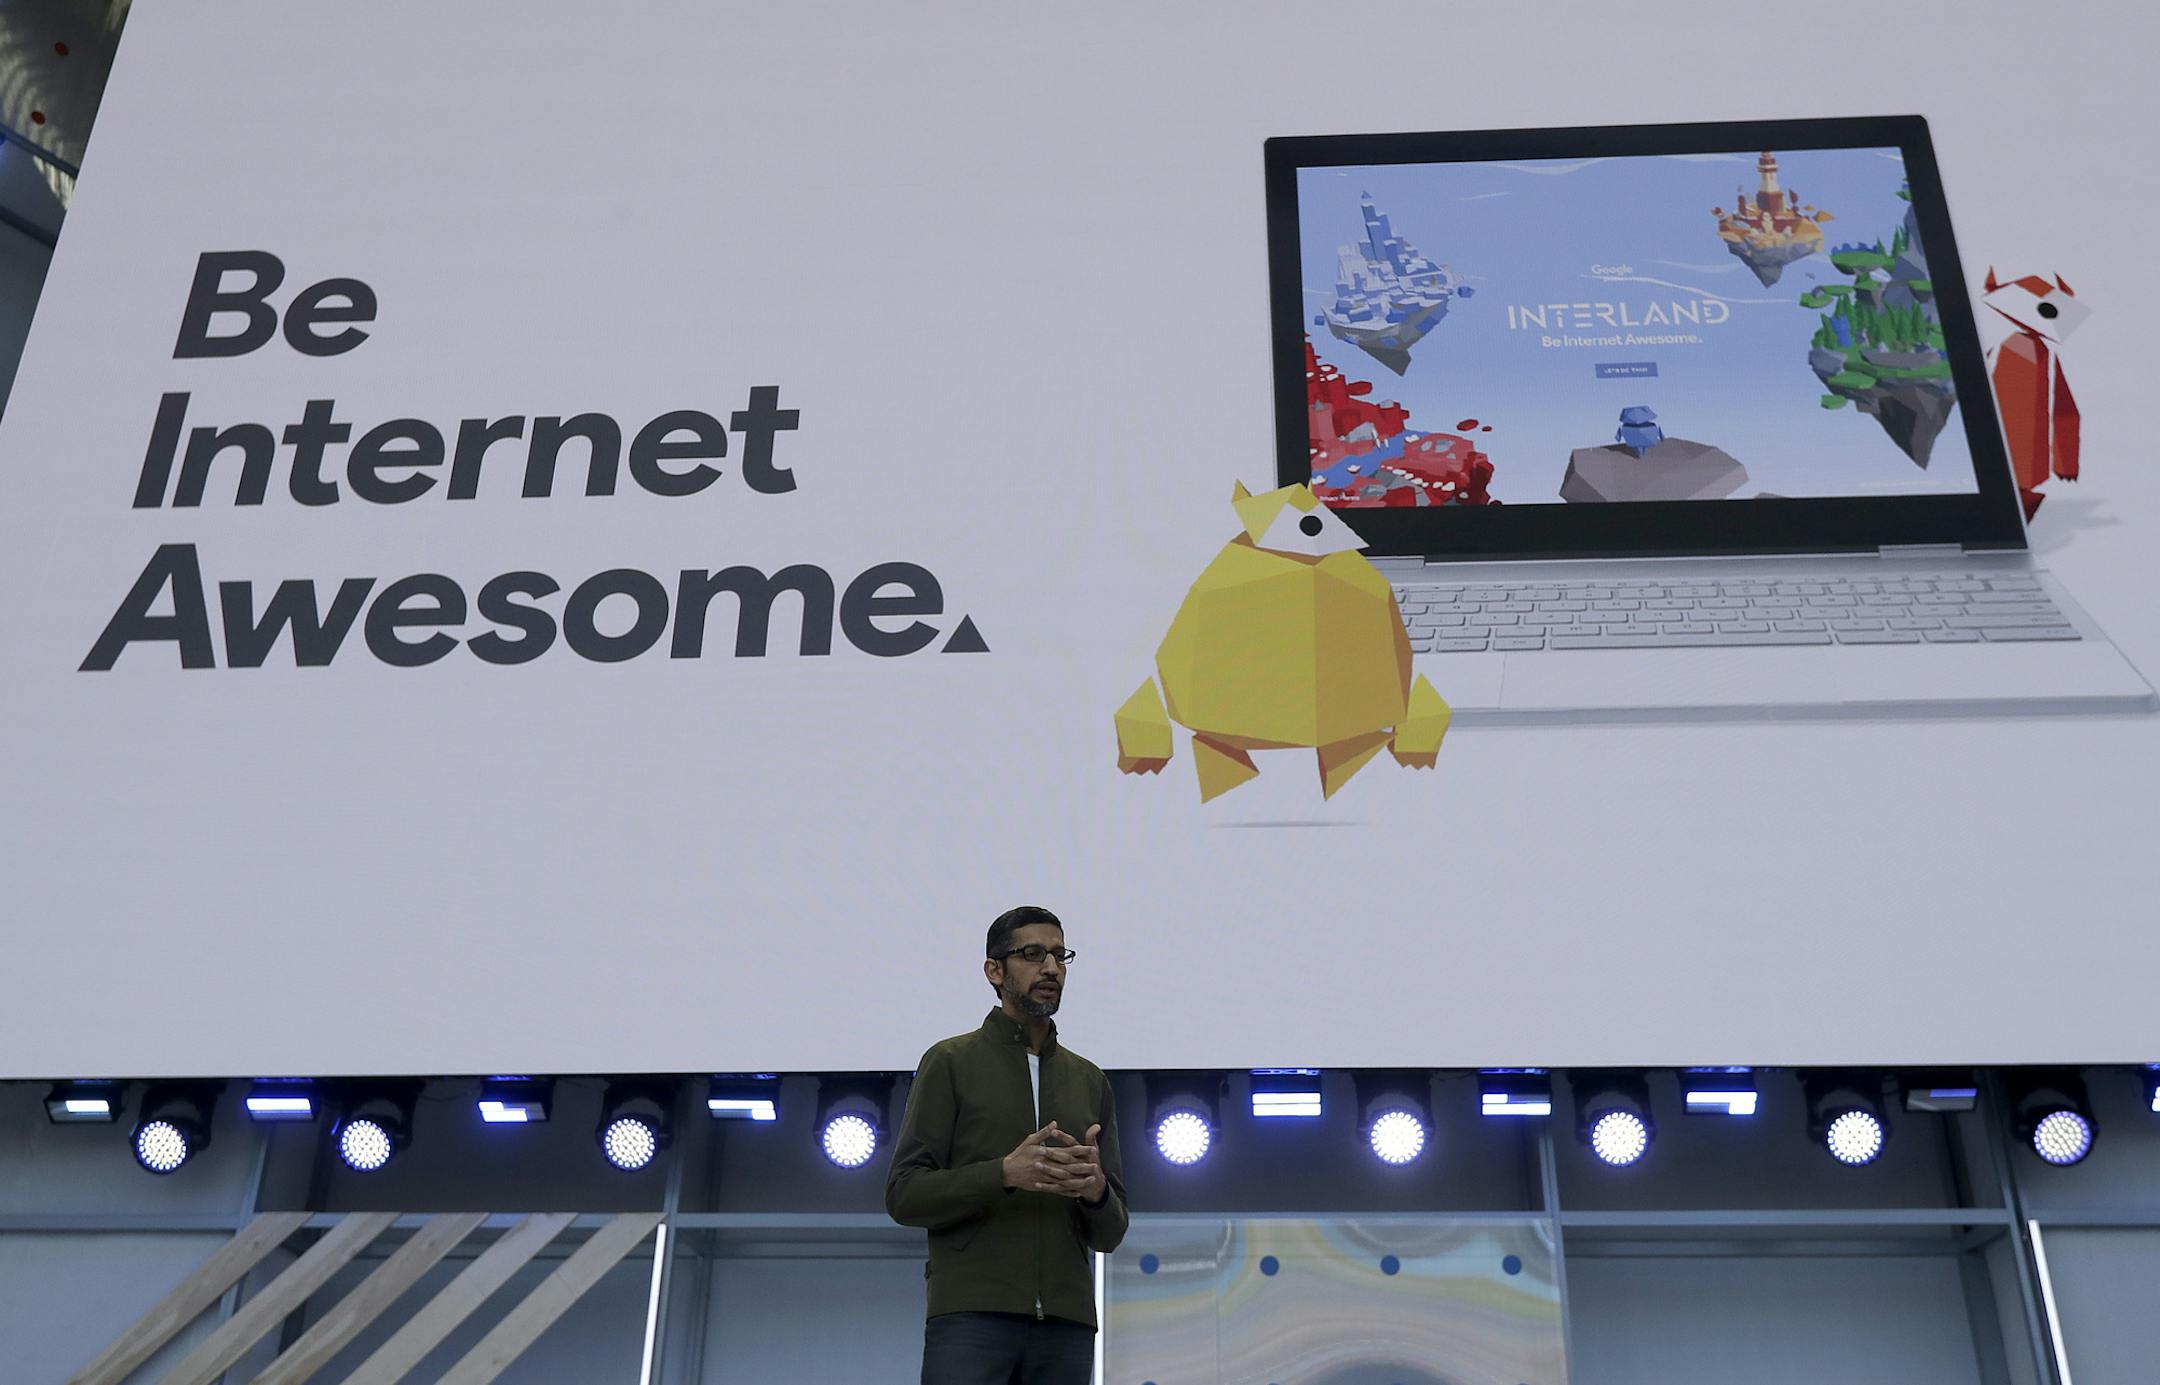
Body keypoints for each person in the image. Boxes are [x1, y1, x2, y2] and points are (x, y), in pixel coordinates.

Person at [885, 905, 1129, 1385]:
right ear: (994, 971)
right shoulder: (950, 1062)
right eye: (1033, 954)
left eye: (1060, 956)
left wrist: (1097, 1192)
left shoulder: (1090, 1080)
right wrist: (1002, 1174)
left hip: (1067, 1324)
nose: (1052, 969)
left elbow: (1111, 1234)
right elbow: (904, 1194)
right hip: (971, 1318)